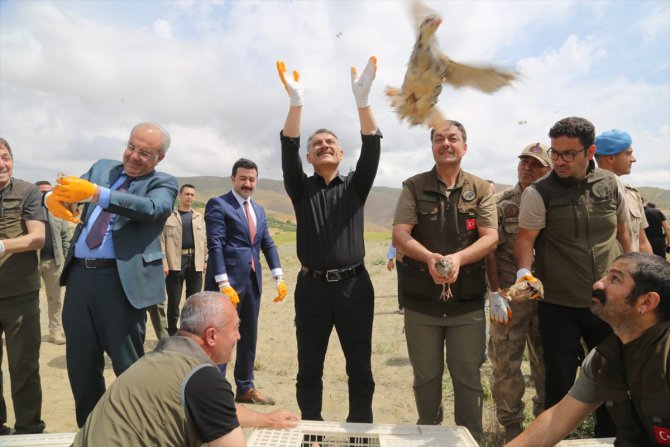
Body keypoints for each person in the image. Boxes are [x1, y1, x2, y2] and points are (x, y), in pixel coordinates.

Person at [46, 122, 179, 427]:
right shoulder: (102, 168)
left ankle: (137, 433)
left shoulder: (163, 183)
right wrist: (52, 197)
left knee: (128, 366)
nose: (133, 156)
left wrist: (98, 194)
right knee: (81, 364)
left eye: (144, 153)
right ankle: (91, 431)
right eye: (131, 147)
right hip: (80, 278)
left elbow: (151, 208)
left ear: (159, 158)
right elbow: (67, 191)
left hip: (120, 284)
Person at [514, 116, 632, 437]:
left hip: (607, 304)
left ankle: (608, 440)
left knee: (613, 380)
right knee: (560, 384)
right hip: (559, 305)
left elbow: (624, 234)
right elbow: (525, 240)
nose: (559, 161)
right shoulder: (539, 193)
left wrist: (633, 280)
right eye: (555, 153)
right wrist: (524, 273)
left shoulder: (610, 183)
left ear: (590, 151)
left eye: (569, 154)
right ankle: (557, 441)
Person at [277, 56, 380, 423]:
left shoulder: (356, 187)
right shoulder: (300, 189)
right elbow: (287, 147)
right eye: (316, 143)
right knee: (309, 367)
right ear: (309, 156)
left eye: (330, 141)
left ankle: (360, 432)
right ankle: (312, 434)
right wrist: (296, 103)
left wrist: (363, 102)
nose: (323, 145)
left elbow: (372, 147)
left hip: (355, 287)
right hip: (312, 289)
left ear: (340, 152)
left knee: (360, 366)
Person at [72, 291, 300, 446]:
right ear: (211, 336)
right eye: (235, 328)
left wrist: (267, 420)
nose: (239, 336)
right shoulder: (204, 379)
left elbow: (219, 410)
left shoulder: (162, 357)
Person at [392, 120, 498, 442]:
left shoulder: (480, 189)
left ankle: (470, 439)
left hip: (466, 305)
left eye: (453, 138)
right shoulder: (414, 186)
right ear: (432, 147)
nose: (446, 144)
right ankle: (429, 435)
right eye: (439, 139)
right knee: (426, 378)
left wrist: (458, 259)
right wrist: (429, 258)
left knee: (468, 378)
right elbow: (400, 233)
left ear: (465, 147)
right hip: (421, 304)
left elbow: (490, 237)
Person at [507, 252, 670, 447]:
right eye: (605, 275)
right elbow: (555, 421)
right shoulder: (605, 359)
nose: (598, 284)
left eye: (615, 279)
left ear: (646, 302)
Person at [204, 158, 286, 405]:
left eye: (252, 179)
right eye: (243, 178)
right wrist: (223, 283)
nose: (247, 183)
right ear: (233, 179)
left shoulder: (258, 210)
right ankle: (216, 390)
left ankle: (245, 387)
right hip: (226, 284)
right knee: (219, 337)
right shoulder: (218, 204)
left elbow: (267, 243)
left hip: (252, 282)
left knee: (248, 335)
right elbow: (215, 245)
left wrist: (278, 276)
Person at [486, 143, 551, 442]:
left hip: (549, 297)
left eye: (535, 164)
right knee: (505, 363)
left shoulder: (556, 201)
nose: (527, 168)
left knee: (547, 362)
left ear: (548, 170)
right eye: (523, 162)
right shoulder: (500, 204)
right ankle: (511, 425)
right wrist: (494, 293)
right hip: (510, 297)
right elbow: (489, 250)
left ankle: (546, 421)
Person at [0, 138, 46, 435]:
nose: (1, 164)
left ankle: (29, 428)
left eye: (5, 157)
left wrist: (3, 245)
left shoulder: (27, 191)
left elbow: (37, 237)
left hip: (20, 296)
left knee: (24, 366)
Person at [594, 129, 652, 253]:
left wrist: (649, 265)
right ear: (611, 158)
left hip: (633, 264)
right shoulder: (590, 194)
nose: (633, 159)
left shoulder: (632, 194)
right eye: (628, 153)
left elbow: (642, 241)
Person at [160, 184, 207, 336]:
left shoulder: (199, 218)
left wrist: (205, 261)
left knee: (193, 301)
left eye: (192, 195)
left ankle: (189, 332)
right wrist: (164, 262)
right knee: (174, 300)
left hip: (195, 261)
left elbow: (205, 241)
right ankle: (173, 333)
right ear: (180, 195)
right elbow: (161, 241)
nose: (189, 197)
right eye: (186, 194)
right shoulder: (168, 217)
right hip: (174, 262)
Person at [35, 180, 72, 345]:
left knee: (55, 299)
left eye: (48, 191)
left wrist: (69, 261)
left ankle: (55, 332)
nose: (45, 194)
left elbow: (66, 237)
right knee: (30, 300)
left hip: (54, 263)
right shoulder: (27, 211)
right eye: (41, 191)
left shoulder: (58, 212)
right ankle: (31, 333)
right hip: (30, 264)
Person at [386, 241, 405, 313]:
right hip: (401, 259)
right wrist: (390, 259)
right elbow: (394, 241)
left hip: (414, 258)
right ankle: (402, 306)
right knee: (401, 282)